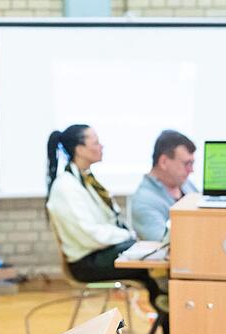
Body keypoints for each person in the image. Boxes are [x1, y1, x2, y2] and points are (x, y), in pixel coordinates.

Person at [45, 125, 164, 310]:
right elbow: (89, 234)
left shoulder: (86, 180)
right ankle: (168, 326)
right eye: (96, 142)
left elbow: (107, 221)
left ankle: (169, 324)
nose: (102, 146)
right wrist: (128, 237)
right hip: (86, 262)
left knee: (154, 263)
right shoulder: (65, 187)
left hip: (101, 252)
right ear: (80, 149)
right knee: (152, 263)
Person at [131, 130, 198, 241]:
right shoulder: (144, 201)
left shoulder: (186, 185)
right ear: (164, 162)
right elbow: (166, 244)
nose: (191, 170)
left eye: (192, 163)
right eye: (187, 164)